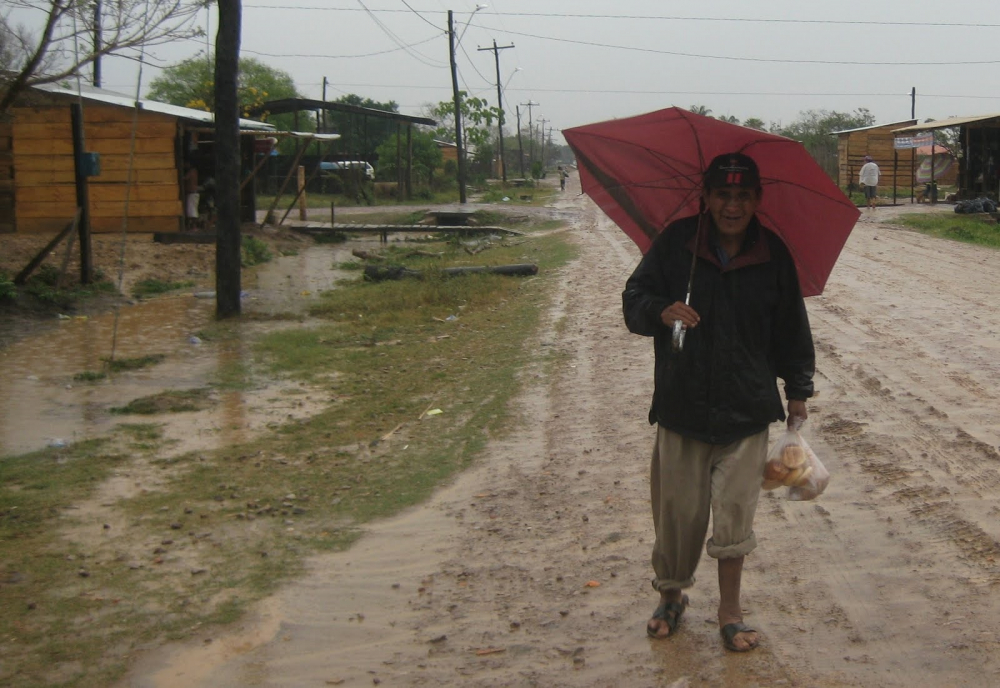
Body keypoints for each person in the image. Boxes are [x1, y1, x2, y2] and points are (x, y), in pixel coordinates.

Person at [622, 152, 815, 652]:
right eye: (723, 195)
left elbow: (793, 328)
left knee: (735, 515)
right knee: (678, 516)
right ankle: (671, 597)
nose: (733, 206)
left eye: (743, 196)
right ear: (706, 198)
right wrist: (660, 310)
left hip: (747, 409)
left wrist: (798, 391)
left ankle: (730, 611)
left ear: (757, 201)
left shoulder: (772, 254)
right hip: (682, 407)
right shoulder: (676, 245)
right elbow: (633, 299)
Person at [183, 161, 200, 230]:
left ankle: (194, 226)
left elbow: (185, 178)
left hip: (192, 193)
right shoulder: (194, 171)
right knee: (192, 211)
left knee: (192, 211)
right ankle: (193, 226)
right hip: (193, 193)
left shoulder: (191, 172)